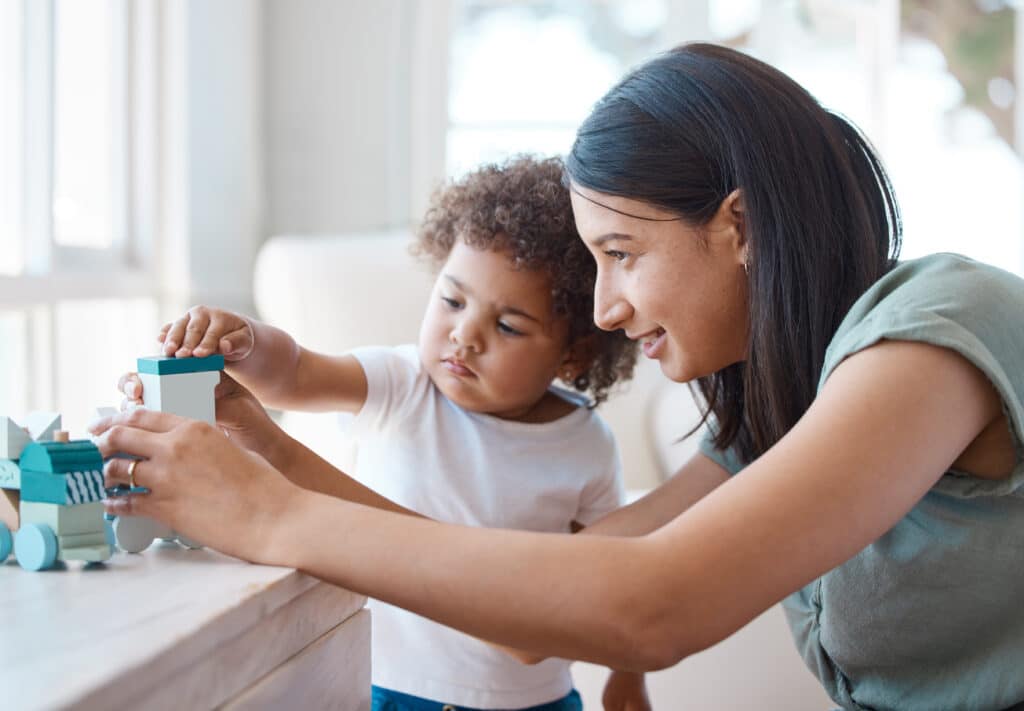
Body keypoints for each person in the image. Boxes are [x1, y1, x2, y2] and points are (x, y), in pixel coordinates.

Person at [91, 42, 1024, 710]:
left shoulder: (937, 331)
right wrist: (270, 451)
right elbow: (537, 614)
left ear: (738, 226)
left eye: (621, 252)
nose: (608, 307)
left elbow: (651, 605)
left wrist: (269, 513)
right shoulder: (772, 427)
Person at [115, 157, 647, 711]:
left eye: (508, 325)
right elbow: (295, 373)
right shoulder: (403, 382)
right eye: (452, 301)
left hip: (535, 702)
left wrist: (628, 676)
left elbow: (611, 576)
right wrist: (245, 341)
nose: (463, 336)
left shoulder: (586, 445)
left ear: (575, 353)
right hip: (394, 687)